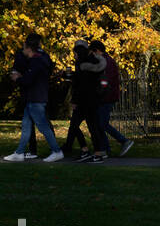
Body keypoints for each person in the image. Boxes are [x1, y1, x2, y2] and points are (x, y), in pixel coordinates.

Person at [5, 34, 64, 162]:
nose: (23, 50)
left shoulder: (36, 61)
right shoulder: (41, 59)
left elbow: (29, 80)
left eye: (24, 48)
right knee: (26, 126)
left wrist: (18, 78)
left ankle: (57, 151)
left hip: (36, 98)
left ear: (28, 48)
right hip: (34, 97)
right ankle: (19, 152)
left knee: (42, 126)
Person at [63, 39, 111, 163]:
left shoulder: (82, 64)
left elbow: (81, 84)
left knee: (76, 126)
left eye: (75, 52)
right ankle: (93, 151)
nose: (74, 55)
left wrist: (74, 100)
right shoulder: (93, 62)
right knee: (91, 126)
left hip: (84, 101)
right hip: (92, 100)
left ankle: (90, 151)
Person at [90, 41, 132, 156]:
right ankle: (105, 149)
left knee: (102, 124)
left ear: (97, 51)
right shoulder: (107, 61)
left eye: (93, 53)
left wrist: (98, 93)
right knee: (100, 123)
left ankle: (123, 140)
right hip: (107, 96)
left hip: (106, 97)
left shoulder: (105, 62)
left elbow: (104, 81)